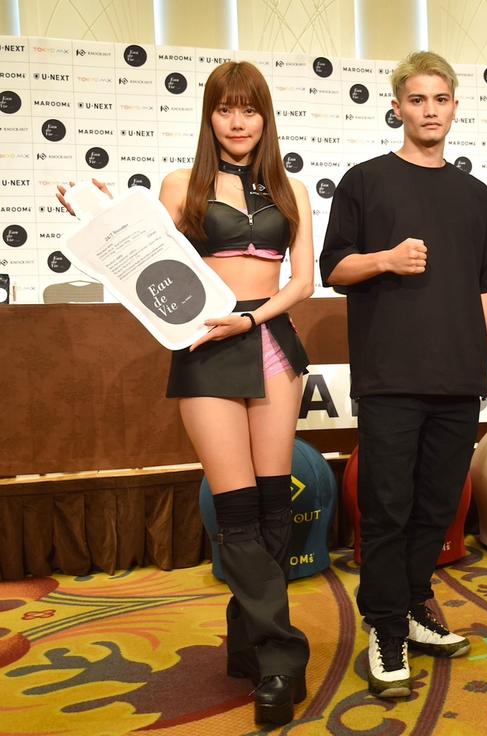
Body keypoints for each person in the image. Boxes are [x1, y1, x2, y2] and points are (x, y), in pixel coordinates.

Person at [59, 61, 314, 726]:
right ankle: (282, 656)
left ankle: (250, 643)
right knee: (237, 512)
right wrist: (97, 216)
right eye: (225, 109)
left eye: (249, 109)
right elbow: (144, 256)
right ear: (209, 116)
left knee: (273, 509)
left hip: (271, 341)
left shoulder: (291, 188)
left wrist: (253, 320)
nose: (238, 121)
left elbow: (303, 281)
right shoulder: (183, 184)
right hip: (205, 347)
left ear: (265, 116)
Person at [319, 50, 487, 699]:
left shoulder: (473, 195)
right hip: (390, 376)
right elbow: (333, 269)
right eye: (417, 99)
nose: (429, 110)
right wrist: (385, 259)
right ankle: (384, 629)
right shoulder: (364, 181)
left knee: (437, 507)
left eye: (440, 99)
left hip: (459, 375)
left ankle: (409, 606)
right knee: (387, 508)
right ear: (397, 107)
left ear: (454, 107)